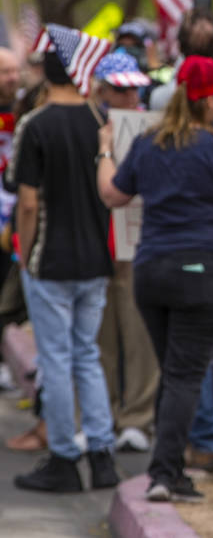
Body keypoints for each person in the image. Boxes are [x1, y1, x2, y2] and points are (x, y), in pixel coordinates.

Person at [97, 55, 213, 502]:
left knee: (173, 372)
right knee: (184, 375)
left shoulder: (145, 142)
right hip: (204, 270)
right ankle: (164, 474)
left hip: (151, 270)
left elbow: (112, 194)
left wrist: (103, 150)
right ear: (206, 98)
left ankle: (169, 468)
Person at [9, 39, 118, 494]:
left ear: (47, 73)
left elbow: (28, 202)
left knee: (56, 360)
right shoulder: (101, 121)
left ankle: (64, 459)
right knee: (87, 356)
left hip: (50, 259)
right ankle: (103, 454)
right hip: (95, 256)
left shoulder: (34, 126)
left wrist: (26, 252)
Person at [90, 53, 158, 455]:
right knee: (101, 339)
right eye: (119, 88)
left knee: (139, 336)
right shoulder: (88, 125)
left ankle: (137, 418)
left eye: (133, 87)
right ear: (100, 89)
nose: (128, 95)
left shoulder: (150, 127)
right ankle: (107, 414)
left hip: (136, 244)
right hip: (98, 245)